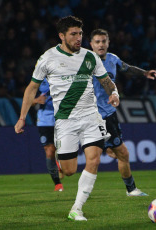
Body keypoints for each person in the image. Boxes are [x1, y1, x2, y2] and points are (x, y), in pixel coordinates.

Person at [14, 16, 119, 221]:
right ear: (61, 36)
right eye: (73, 34)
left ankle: (76, 208)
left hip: (91, 117)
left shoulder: (90, 57)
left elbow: (106, 81)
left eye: (80, 33)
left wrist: (114, 94)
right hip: (65, 121)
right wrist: (22, 117)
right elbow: (32, 88)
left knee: (94, 160)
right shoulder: (48, 59)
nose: (78, 38)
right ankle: (62, 167)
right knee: (70, 170)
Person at [90, 29, 156, 196]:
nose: (101, 45)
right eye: (97, 42)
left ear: (108, 43)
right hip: (92, 115)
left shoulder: (112, 59)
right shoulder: (85, 61)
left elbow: (126, 68)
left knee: (120, 153)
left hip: (108, 114)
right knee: (107, 155)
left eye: (103, 41)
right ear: (91, 44)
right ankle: (130, 189)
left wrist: (144, 73)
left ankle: (131, 189)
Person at [32, 78, 63, 192]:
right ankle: (57, 183)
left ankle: (60, 162)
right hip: (44, 121)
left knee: (60, 148)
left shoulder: (63, 76)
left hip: (62, 117)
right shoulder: (38, 82)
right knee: (49, 150)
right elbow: (27, 101)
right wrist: (36, 100)